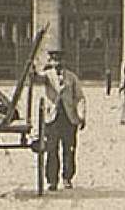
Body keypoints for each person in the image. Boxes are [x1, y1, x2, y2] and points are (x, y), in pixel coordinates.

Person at [38, 50, 86, 191]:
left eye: (59, 61)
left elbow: (80, 97)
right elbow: (36, 79)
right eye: (54, 61)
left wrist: (81, 116)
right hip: (52, 119)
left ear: (63, 62)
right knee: (51, 150)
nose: (57, 64)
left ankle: (67, 178)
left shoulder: (71, 77)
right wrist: (33, 68)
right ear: (50, 62)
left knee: (69, 149)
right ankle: (52, 180)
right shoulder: (47, 76)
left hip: (68, 118)